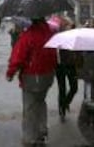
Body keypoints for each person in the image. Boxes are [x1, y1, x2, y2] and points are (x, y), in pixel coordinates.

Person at [6, 17, 57, 147]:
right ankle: (42, 131)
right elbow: (54, 56)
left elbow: (18, 57)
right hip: (47, 76)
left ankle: (30, 139)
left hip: (33, 76)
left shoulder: (28, 35)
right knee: (40, 102)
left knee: (29, 107)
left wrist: (10, 73)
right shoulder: (49, 33)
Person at [55, 18, 79, 121]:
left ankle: (65, 103)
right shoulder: (58, 37)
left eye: (70, 24)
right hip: (60, 65)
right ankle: (62, 109)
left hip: (71, 65)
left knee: (74, 88)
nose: (68, 26)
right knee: (62, 89)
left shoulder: (75, 37)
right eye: (66, 24)